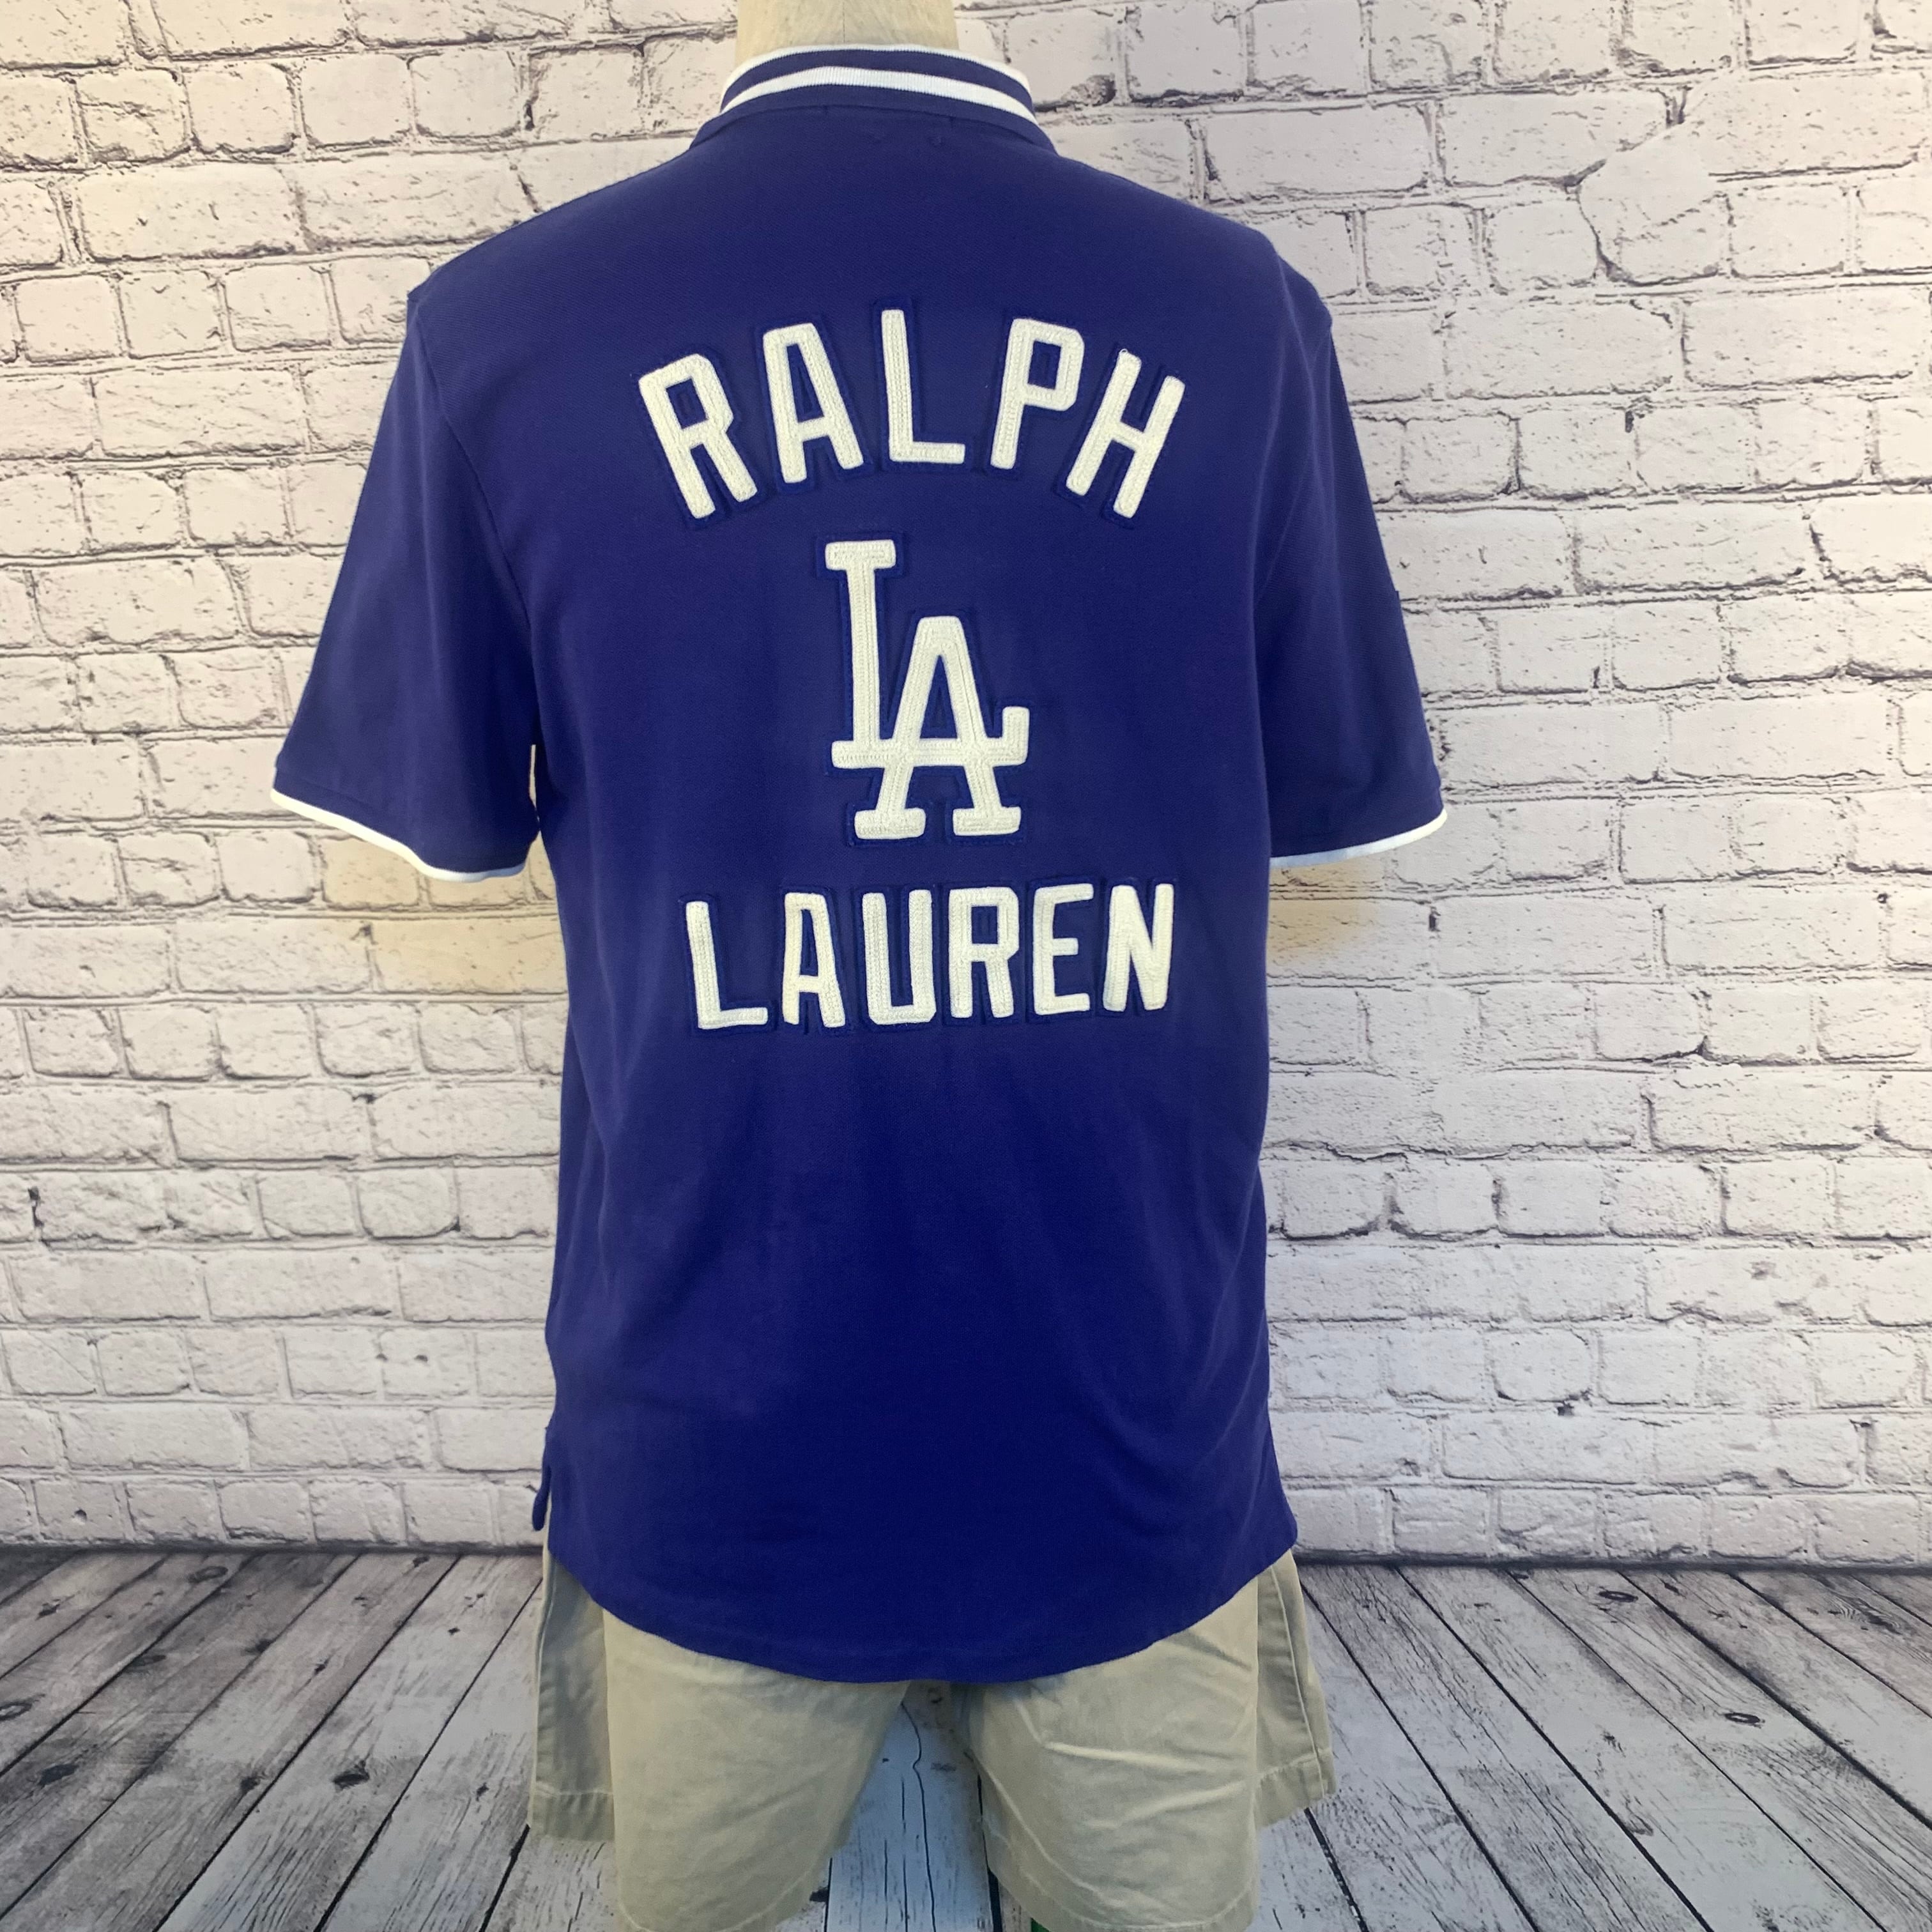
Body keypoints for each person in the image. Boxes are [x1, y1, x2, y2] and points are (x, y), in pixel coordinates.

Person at [268, 1, 1445, 1927]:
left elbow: (450, 822)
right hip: (1040, 1402)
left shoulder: (507, 329)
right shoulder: (1232, 312)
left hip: (831, 1410)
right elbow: (1328, 804)